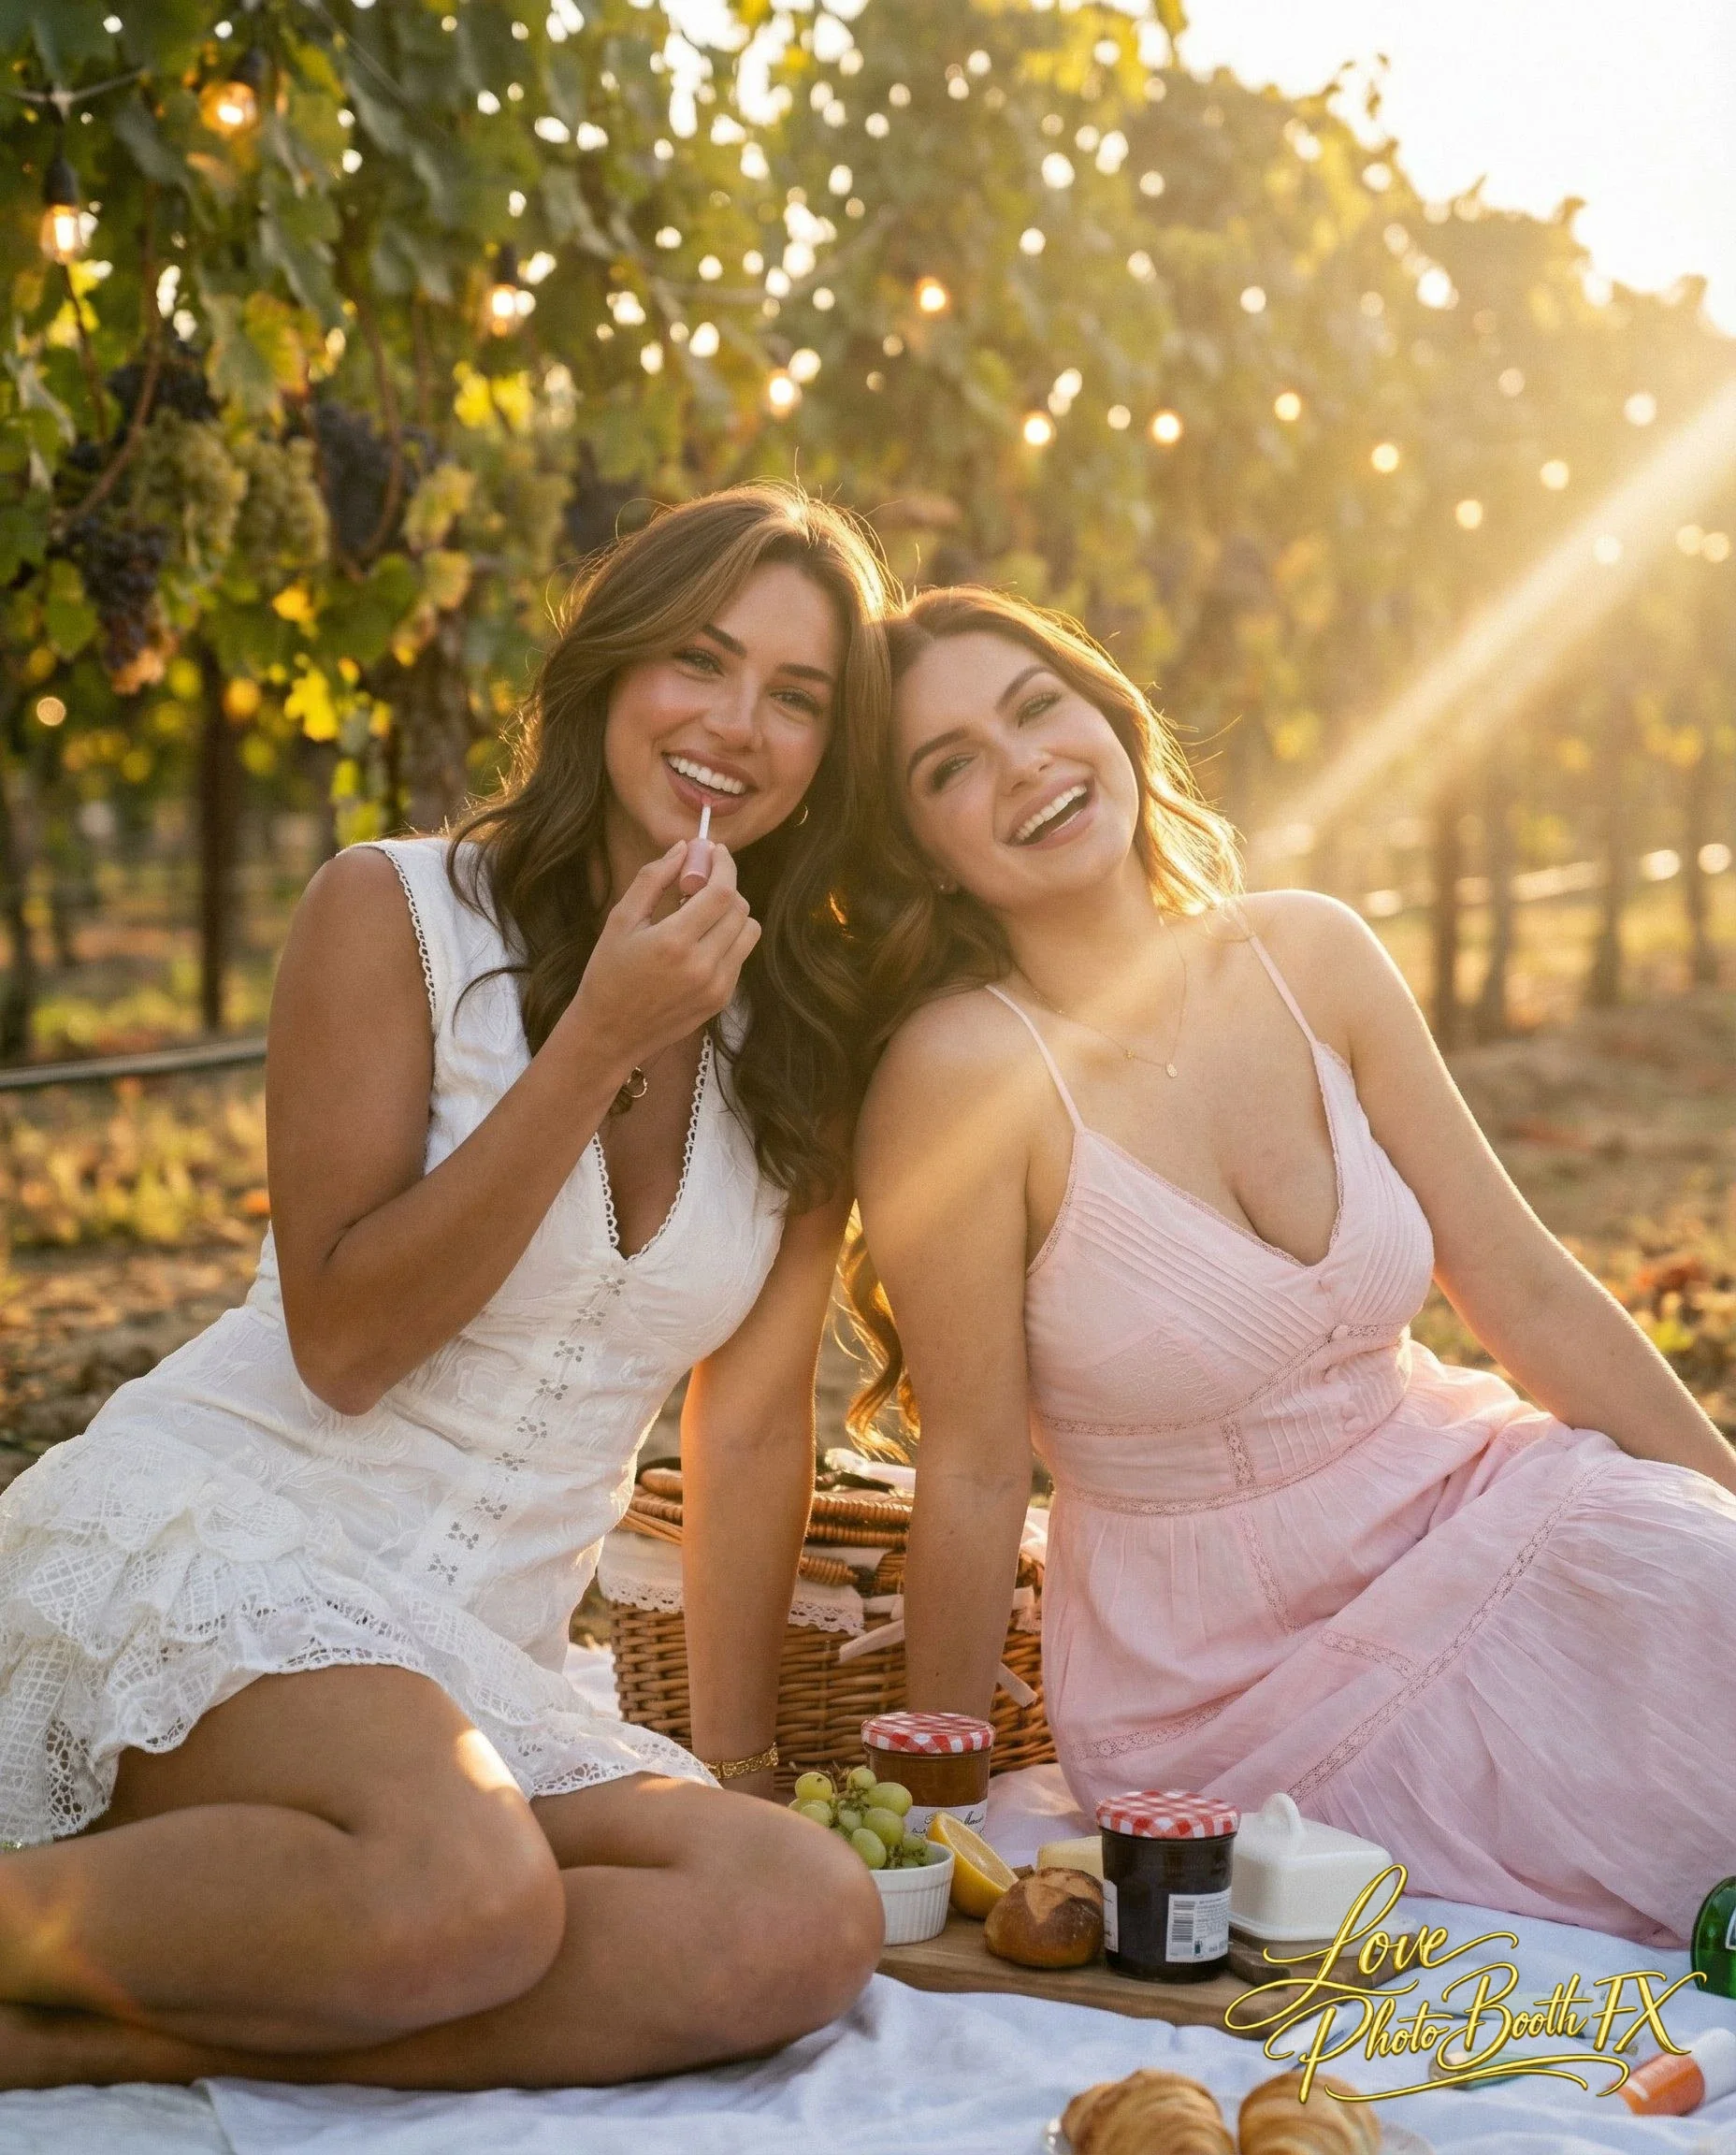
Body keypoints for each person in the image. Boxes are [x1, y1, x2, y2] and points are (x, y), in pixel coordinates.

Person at [0, 484, 891, 2089]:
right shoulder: (395, 911)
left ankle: (83, 2039)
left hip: (481, 1666)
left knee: (797, 1918)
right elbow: (345, 1344)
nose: (738, 725)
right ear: (615, 671)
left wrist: (739, 1766)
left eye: (799, 698)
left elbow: (751, 1434)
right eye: (701, 660)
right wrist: (599, 1038)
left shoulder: (798, 1053)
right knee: (461, 1891)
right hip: (238, 1546)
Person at [845, 585, 1736, 1948]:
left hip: (1464, 1504)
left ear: (1111, 721)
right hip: (1223, 1681)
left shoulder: (1309, 951)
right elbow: (969, 1466)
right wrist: (935, 1816)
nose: (1021, 761)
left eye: (1037, 708)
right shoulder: (960, 1074)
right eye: (950, 766)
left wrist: (1728, 1502)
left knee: (1698, 1581)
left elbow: (1520, 1278)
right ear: (926, 854)